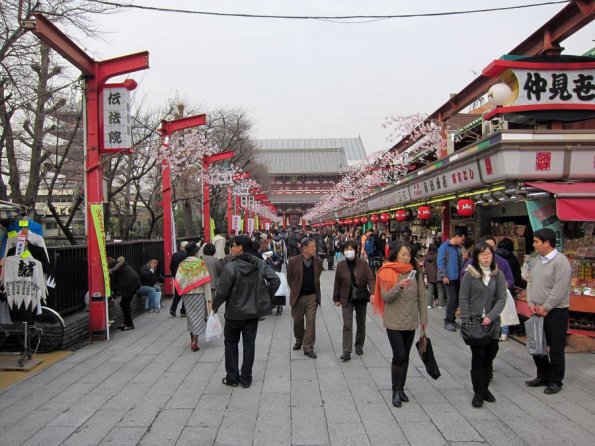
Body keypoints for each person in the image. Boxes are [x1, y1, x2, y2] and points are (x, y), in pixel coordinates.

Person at [213, 235, 280, 388]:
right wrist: (265, 299)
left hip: (234, 313)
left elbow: (222, 292)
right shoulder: (259, 264)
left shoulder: (230, 267)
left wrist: (214, 306)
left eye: (233, 245)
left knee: (230, 343)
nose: (232, 248)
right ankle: (246, 378)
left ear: (240, 247)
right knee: (249, 345)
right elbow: (275, 280)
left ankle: (232, 378)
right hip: (252, 313)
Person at [373, 242, 427, 408]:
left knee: (406, 355)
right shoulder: (386, 271)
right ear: (395, 254)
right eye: (403, 254)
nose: (406, 257)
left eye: (408, 254)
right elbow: (386, 297)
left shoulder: (415, 272)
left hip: (410, 320)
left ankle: (402, 388)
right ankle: (395, 390)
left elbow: (421, 297)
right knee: (399, 355)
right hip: (394, 321)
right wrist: (399, 286)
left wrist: (423, 320)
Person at [459, 242, 507, 407]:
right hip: (475, 322)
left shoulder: (497, 274)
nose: (486, 257)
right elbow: (463, 298)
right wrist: (466, 319)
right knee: (478, 357)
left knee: (490, 357)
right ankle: (478, 392)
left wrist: (492, 316)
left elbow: (501, 298)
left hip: (492, 323)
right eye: (482, 254)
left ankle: (485, 388)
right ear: (476, 257)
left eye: (488, 254)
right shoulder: (470, 274)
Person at [525, 228, 572, 395]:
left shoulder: (561, 262)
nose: (534, 244)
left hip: (556, 312)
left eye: (536, 241)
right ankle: (542, 375)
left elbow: (559, 290)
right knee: (537, 345)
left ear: (547, 243)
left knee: (555, 347)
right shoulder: (537, 260)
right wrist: (530, 302)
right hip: (536, 309)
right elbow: (530, 282)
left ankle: (555, 380)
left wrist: (546, 307)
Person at [332, 240, 375, 361]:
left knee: (361, 323)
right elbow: (337, 282)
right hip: (346, 297)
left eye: (351, 249)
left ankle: (359, 345)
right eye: (346, 249)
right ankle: (346, 350)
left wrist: (373, 293)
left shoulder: (363, 264)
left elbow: (371, 279)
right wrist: (336, 298)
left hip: (360, 296)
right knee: (347, 324)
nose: (348, 251)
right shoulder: (341, 265)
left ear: (356, 250)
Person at [287, 237, 324, 358]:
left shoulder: (318, 261)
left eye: (315, 246)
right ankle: (299, 338)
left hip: (312, 296)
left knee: (311, 321)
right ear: (304, 248)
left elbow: (317, 277)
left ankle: (308, 347)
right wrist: (295, 290)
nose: (315, 248)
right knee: (297, 321)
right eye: (312, 246)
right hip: (298, 296)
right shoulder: (293, 261)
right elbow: (290, 279)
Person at [175, 242, 212, 352]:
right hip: (199, 294)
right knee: (199, 318)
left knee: (191, 317)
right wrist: (209, 298)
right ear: (196, 252)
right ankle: (194, 341)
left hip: (187, 295)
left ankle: (192, 339)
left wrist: (184, 288)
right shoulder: (200, 263)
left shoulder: (183, 264)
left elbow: (178, 279)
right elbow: (206, 282)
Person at [437, 228, 465, 331]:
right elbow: (440, 262)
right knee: (451, 298)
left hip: (458, 277)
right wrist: (444, 275)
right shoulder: (444, 247)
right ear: (457, 236)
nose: (462, 242)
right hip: (449, 277)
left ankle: (452, 319)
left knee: (457, 298)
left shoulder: (457, 248)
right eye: (461, 240)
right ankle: (448, 320)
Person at [108, 256, 140, 331]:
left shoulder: (114, 269)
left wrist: (112, 295)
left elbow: (112, 284)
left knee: (124, 304)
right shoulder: (119, 265)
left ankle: (129, 325)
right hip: (134, 282)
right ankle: (126, 323)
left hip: (131, 285)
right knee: (124, 303)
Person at [170, 241, 188, 317]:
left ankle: (173, 309)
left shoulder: (174, 255)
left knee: (177, 294)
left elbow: (171, 266)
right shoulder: (187, 255)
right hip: (185, 277)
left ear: (181, 246)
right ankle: (183, 311)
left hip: (177, 277)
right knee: (185, 294)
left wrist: (174, 275)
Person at [424, 243, 445, 309]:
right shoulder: (438, 256)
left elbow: (425, 265)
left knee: (430, 291)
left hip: (430, 275)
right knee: (440, 290)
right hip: (438, 275)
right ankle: (441, 305)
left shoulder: (427, 257)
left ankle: (429, 304)